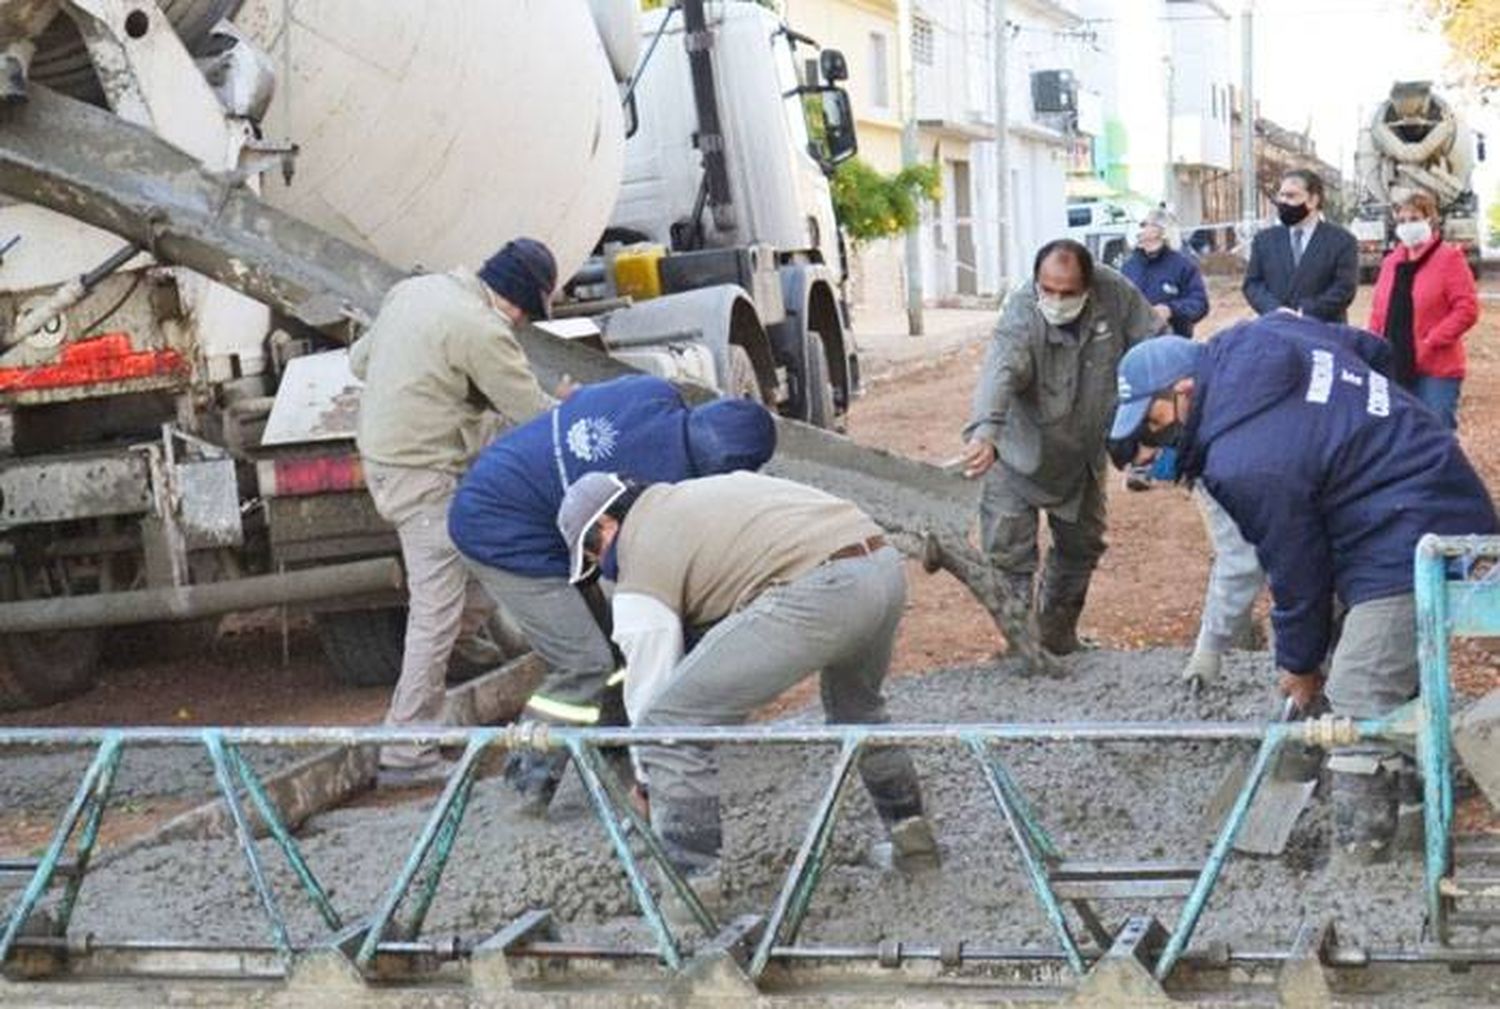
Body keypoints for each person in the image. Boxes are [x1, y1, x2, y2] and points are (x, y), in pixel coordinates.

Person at [1108, 320, 1498, 863]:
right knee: (1355, 647)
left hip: (1412, 529)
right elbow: (1374, 350)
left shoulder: (1244, 462)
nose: (1154, 442)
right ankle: (1415, 792)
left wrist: (1298, 664)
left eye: (1153, 424)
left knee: (1358, 697)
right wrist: (1368, 440)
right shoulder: (1258, 338)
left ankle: (1368, 861)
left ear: (1185, 392)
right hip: (1418, 483)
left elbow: (1296, 571)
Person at [556, 470, 938, 885]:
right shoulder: (690, 496)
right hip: (883, 564)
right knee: (859, 710)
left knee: (668, 726)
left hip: (821, 590)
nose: (602, 569)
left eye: (593, 556)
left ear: (607, 527)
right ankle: (916, 850)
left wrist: (647, 784)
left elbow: (651, 696)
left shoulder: (639, 562)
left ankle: (692, 903)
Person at [448, 374, 776, 813]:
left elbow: (577, 397)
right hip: (501, 533)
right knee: (583, 660)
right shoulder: (663, 487)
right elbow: (635, 574)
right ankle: (527, 778)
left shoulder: (653, 392)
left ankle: (614, 742)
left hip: (511, 483)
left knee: (616, 642)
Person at [351, 237, 558, 786]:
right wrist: (576, 406)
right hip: (422, 474)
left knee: (483, 576)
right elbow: (535, 416)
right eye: (526, 315)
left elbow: (358, 361)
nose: (520, 325)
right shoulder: (483, 329)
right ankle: (406, 747)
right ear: (515, 301)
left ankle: (453, 668)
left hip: (389, 461)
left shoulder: (414, 291)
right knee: (437, 609)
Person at [959, 238, 1160, 673]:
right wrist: (985, 432)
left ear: (1089, 285)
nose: (1056, 300)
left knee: (1082, 545)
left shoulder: (1117, 295)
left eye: (1068, 292)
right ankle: (1021, 647)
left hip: (1081, 451)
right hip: (1015, 452)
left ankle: (1057, 635)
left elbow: (1156, 350)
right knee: (1009, 554)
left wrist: (1156, 422)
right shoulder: (1021, 312)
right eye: (1047, 289)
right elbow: (1001, 370)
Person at [1367, 191, 1479, 429]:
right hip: (1394, 364)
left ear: (1430, 220)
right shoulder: (1391, 263)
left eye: (1415, 218)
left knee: (1436, 433)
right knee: (1401, 434)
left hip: (1436, 367)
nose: (1408, 225)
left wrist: (1432, 339)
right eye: (1402, 220)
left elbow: (1466, 308)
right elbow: (1379, 312)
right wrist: (1373, 348)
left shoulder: (1449, 259)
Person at [1242, 169, 1358, 324]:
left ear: (1312, 200)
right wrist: (1274, 310)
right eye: (1281, 195)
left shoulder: (1342, 241)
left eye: (1291, 196)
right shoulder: (1264, 240)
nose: (1283, 201)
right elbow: (1252, 284)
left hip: (1323, 331)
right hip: (1275, 330)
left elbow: (1344, 288)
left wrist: (1305, 312)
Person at [1121, 208, 1210, 338]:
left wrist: (1171, 309)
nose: (1146, 234)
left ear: (1165, 234)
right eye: (1144, 227)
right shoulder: (1129, 267)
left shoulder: (1183, 265)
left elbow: (1200, 304)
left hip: (1171, 343)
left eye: (1154, 230)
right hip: (1136, 345)